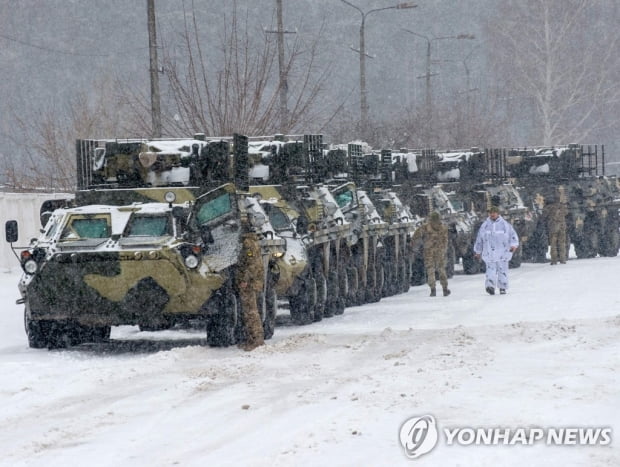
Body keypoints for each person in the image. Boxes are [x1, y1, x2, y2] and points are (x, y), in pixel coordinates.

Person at [473, 205, 519, 295]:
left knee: (502, 270)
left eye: (494, 212)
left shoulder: (505, 225)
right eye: (490, 213)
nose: (492, 214)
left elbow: (513, 236)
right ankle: (490, 287)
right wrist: (477, 251)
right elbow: (479, 239)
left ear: (498, 213)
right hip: (489, 253)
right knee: (490, 270)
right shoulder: (485, 226)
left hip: (503, 252)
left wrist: (513, 246)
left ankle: (502, 287)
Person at [235, 232, 265, 351]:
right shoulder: (252, 241)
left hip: (250, 283)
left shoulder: (248, 243)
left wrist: (245, 279)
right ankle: (252, 339)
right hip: (252, 281)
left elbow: (252, 264)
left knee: (250, 312)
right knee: (249, 311)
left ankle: (256, 340)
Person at [411, 211, 451, 297]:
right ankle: (445, 288)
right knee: (441, 269)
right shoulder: (443, 228)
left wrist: (416, 247)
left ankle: (433, 289)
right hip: (440, 251)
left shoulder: (425, 227)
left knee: (430, 270)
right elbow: (446, 240)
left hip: (428, 251)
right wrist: (444, 249)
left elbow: (415, 237)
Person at [543, 198, 568, 265]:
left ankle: (554, 260)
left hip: (553, 226)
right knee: (562, 243)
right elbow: (566, 213)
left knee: (553, 244)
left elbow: (544, 215)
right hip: (562, 226)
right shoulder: (562, 206)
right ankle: (563, 259)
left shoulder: (549, 207)